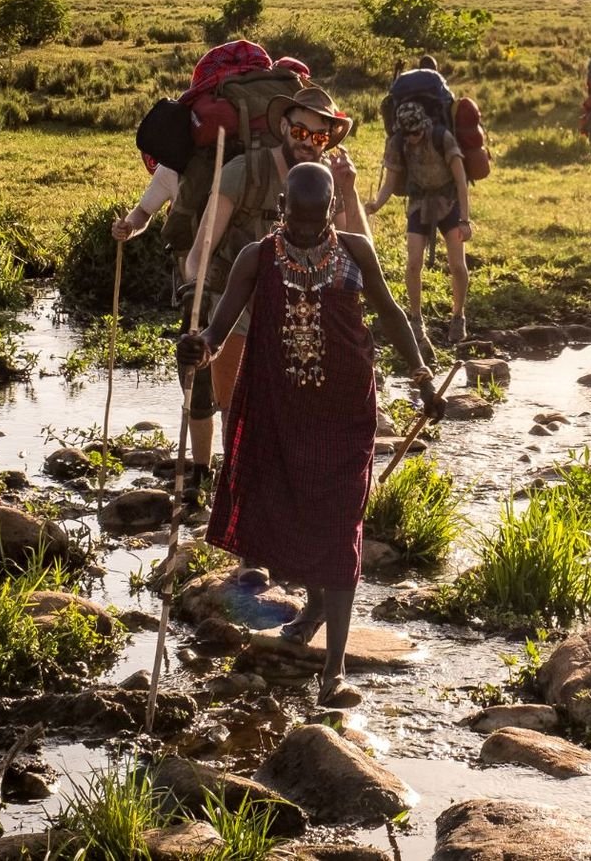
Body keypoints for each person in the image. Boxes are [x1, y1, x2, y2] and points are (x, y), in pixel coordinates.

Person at [176, 163, 432, 708]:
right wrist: (197, 347)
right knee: (292, 514)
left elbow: (388, 313)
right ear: (283, 208)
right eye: (298, 218)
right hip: (281, 413)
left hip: (346, 414)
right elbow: (217, 334)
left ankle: (333, 672)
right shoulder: (258, 257)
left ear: (332, 208)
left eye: (318, 219)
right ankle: (314, 607)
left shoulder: (357, 252)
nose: (308, 230)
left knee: (340, 527)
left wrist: (422, 374)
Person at [181, 87, 370, 470]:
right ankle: (235, 490)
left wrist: (348, 191)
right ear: (284, 126)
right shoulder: (245, 172)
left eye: (319, 137)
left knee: (293, 411)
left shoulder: (329, 183)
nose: (308, 143)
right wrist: (197, 297)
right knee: (236, 408)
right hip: (238, 307)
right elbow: (201, 250)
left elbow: (361, 253)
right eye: (300, 132)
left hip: (303, 311)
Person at [364, 88, 471, 347]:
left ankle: (458, 317)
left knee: (457, 265)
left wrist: (465, 220)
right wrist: (376, 204)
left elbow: (461, 181)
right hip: (419, 203)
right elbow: (390, 182)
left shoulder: (441, 137)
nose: (413, 138)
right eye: (408, 133)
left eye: (416, 133)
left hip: (449, 203)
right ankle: (415, 318)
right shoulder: (398, 143)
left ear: (423, 126)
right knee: (413, 263)